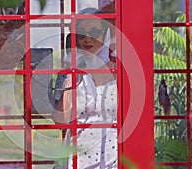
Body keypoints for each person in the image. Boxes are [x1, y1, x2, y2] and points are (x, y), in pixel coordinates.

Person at [52, 7, 118, 169]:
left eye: (95, 32)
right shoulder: (69, 73)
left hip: (113, 157)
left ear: (105, 34)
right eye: (81, 34)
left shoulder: (119, 70)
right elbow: (60, 120)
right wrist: (71, 73)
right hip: (78, 159)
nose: (87, 39)